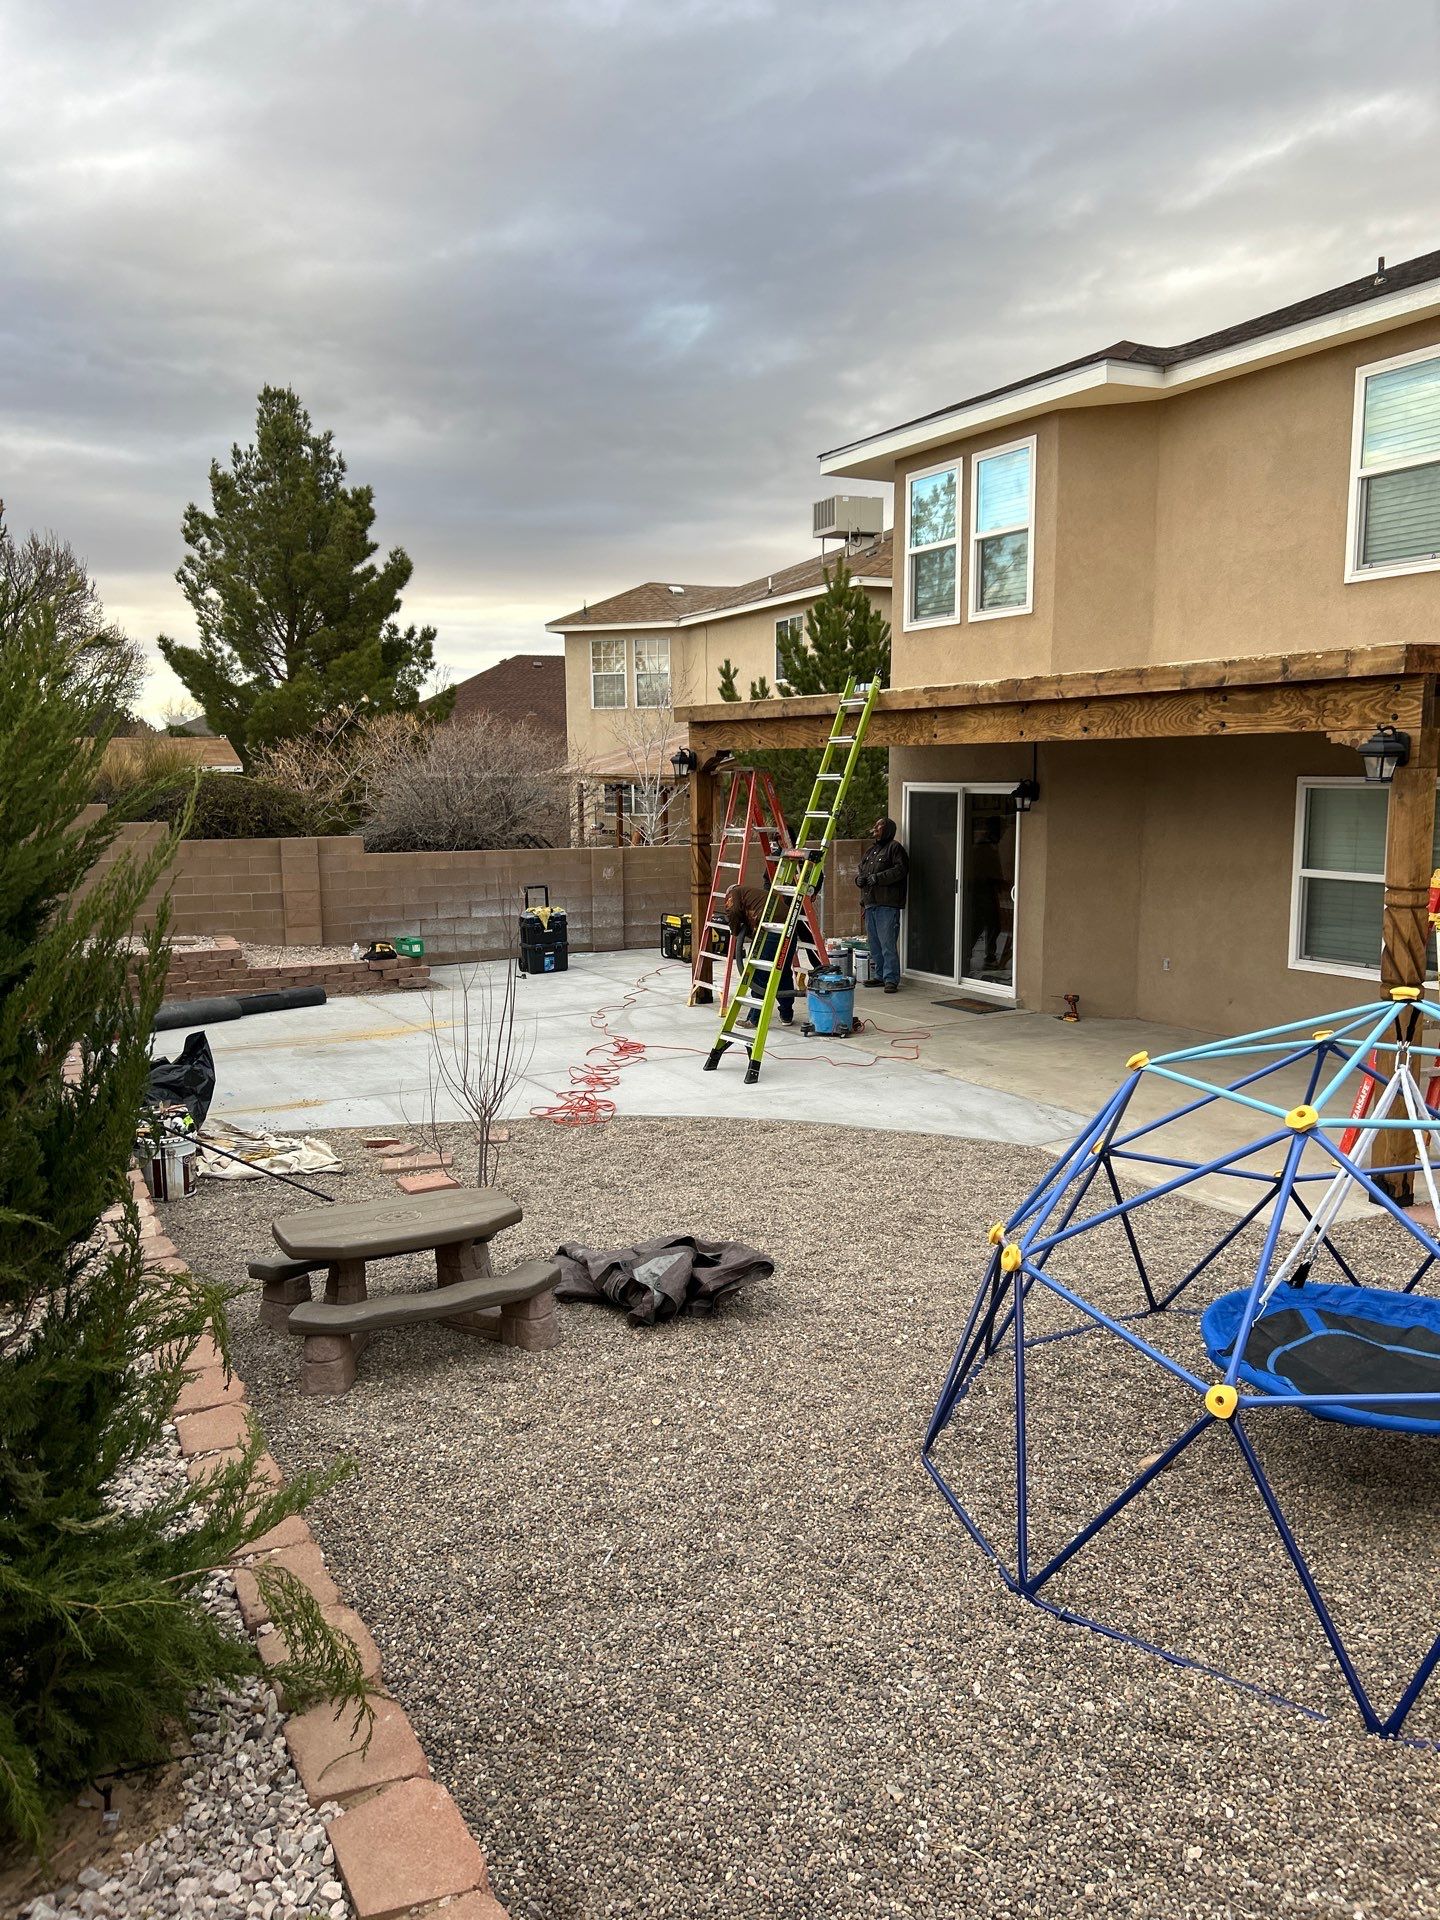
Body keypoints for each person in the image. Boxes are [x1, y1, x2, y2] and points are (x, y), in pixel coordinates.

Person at [724, 883, 794, 1025]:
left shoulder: (735, 893)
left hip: (771, 930)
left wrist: (735, 931)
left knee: (758, 975)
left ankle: (754, 1019)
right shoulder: (755, 895)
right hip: (789, 928)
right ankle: (786, 1015)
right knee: (783, 972)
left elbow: (733, 911)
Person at [855, 816, 908, 993]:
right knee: (875, 944)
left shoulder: (895, 848)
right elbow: (861, 870)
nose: (876, 828)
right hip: (871, 903)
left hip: (887, 903)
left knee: (887, 943)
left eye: (880, 826)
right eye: (876, 825)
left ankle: (891, 979)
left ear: (888, 830)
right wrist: (859, 880)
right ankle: (879, 975)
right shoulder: (870, 851)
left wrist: (878, 878)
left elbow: (901, 870)